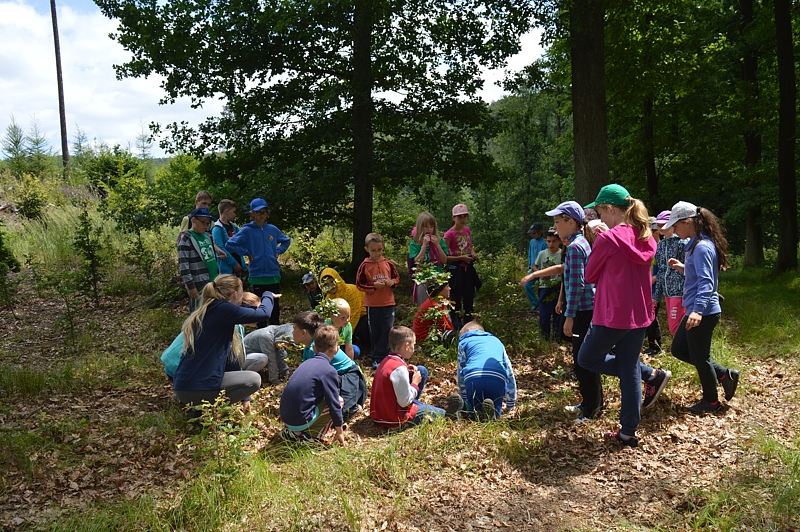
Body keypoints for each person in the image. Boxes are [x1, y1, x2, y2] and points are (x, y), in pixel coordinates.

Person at [577, 184, 671, 448]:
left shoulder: (607, 239)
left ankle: (650, 374)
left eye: (599, 211)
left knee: (587, 358)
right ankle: (628, 431)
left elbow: (590, 275)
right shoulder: (645, 236)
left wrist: (600, 240)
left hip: (612, 314)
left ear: (610, 209)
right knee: (628, 368)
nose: (598, 217)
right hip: (640, 314)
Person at [664, 202, 740, 413]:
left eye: (676, 225)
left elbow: (707, 283)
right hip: (695, 310)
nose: (675, 230)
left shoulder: (702, 247)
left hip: (703, 312)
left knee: (701, 357)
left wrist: (697, 310)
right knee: (679, 349)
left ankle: (711, 401)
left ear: (688, 222)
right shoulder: (696, 244)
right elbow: (699, 276)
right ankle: (725, 375)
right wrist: (683, 267)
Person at [172, 275, 275, 414]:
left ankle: (198, 411)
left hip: (182, 387)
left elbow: (230, 361)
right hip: (196, 387)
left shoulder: (211, 310)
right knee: (254, 379)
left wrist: (245, 397)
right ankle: (207, 409)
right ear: (235, 294)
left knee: (243, 376)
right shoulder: (222, 309)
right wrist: (267, 295)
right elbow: (264, 313)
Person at [542, 201, 603, 422]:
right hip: (585, 309)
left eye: (558, 222)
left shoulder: (577, 247)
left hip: (583, 311)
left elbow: (577, 284)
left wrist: (570, 316)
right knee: (584, 359)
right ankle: (589, 402)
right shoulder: (579, 243)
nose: (555, 227)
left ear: (570, 222)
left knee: (583, 361)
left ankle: (592, 410)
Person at [225, 198, 291, 326]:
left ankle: (275, 336)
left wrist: (278, 251)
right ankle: (261, 335)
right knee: (258, 308)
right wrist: (247, 252)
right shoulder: (247, 231)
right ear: (252, 214)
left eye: (264, 212)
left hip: (273, 275)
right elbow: (230, 244)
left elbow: (286, 241)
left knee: (274, 308)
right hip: (256, 276)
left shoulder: (272, 229)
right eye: (258, 212)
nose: (262, 215)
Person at [279, 325, 347, 445]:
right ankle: (310, 436)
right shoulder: (329, 371)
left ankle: (292, 432)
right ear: (337, 349)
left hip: (286, 419)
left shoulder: (306, 363)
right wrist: (339, 431)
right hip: (299, 421)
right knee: (339, 401)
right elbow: (334, 404)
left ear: (314, 348)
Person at [370, 326, 449, 428]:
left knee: (421, 370)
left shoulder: (386, 360)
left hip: (382, 412)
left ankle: (416, 405)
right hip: (393, 418)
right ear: (407, 346)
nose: (414, 348)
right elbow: (404, 401)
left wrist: (406, 370)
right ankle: (452, 414)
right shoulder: (399, 369)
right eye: (414, 345)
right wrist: (415, 384)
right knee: (442, 413)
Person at [294, 311, 367, 419]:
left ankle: (352, 407)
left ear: (304, 332)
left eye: (294, 328)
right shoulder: (309, 348)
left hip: (349, 376)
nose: (292, 332)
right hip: (336, 375)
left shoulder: (313, 349)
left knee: (339, 411)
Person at [454, 322, 517, 420]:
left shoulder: (464, 342)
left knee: (474, 411)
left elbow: (461, 371)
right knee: (495, 407)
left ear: (468, 331)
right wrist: (510, 403)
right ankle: (493, 414)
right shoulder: (497, 341)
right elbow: (509, 371)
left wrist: (465, 397)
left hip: (473, 377)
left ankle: (467, 408)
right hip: (497, 378)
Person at [356, 233, 400, 368]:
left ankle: (381, 356)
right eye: (373, 250)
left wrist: (391, 282)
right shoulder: (364, 265)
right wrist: (373, 286)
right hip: (373, 304)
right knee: (375, 331)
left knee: (387, 329)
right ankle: (378, 357)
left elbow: (396, 279)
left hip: (388, 302)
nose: (377, 253)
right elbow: (359, 284)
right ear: (367, 249)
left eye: (379, 250)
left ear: (383, 247)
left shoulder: (388, 263)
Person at [652, 210, 688, 338]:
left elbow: (689, 269)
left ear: (673, 224)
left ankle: (687, 350)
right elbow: (661, 272)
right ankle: (685, 351)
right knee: (674, 327)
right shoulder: (660, 246)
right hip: (667, 292)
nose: (660, 228)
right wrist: (656, 296)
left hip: (680, 292)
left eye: (664, 224)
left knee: (676, 327)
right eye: (658, 225)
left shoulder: (683, 243)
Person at [177, 207, 220, 312]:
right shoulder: (186, 239)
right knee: (199, 314)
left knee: (213, 313)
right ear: (193, 220)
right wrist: (191, 287)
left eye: (208, 223)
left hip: (213, 282)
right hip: (199, 285)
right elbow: (184, 266)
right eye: (203, 222)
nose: (206, 226)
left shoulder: (207, 236)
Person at [319, 267, 370, 355]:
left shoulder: (351, 292)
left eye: (332, 282)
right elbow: (328, 319)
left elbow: (354, 316)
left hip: (361, 316)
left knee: (363, 327)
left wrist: (345, 335)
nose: (330, 286)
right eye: (326, 284)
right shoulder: (328, 298)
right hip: (341, 321)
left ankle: (368, 348)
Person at [444, 204, 479, 327]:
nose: (463, 220)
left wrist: (473, 254)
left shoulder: (467, 230)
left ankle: (469, 321)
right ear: (453, 218)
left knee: (469, 295)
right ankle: (456, 323)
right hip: (456, 268)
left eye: (465, 217)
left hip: (468, 267)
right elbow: (444, 257)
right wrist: (461, 258)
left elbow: (470, 246)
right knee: (456, 296)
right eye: (459, 217)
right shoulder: (449, 234)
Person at [409, 211, 450, 305]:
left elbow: (444, 260)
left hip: (438, 277)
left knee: (440, 305)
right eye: (426, 226)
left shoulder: (439, 241)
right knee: (425, 306)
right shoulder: (414, 243)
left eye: (431, 226)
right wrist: (424, 245)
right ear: (420, 227)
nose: (429, 229)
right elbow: (417, 262)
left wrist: (437, 245)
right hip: (423, 279)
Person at [533, 228, 563, 340]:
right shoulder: (542, 253)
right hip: (544, 287)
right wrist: (539, 273)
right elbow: (534, 265)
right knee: (544, 316)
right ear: (546, 241)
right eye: (549, 241)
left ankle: (557, 338)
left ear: (559, 241)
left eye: (554, 241)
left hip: (558, 288)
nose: (551, 244)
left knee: (557, 315)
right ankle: (544, 338)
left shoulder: (562, 253)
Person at [412, 278, 456, 346]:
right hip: (425, 338)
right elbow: (444, 325)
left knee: (459, 325)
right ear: (439, 291)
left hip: (433, 332)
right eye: (447, 286)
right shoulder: (434, 306)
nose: (450, 288)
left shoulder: (437, 302)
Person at [212, 199, 247, 278]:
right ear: (227, 211)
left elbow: (242, 242)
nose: (235, 215)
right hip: (227, 269)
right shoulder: (217, 228)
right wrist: (234, 263)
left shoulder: (234, 227)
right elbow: (220, 248)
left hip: (239, 263)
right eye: (234, 212)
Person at [525, 223, 547, 312]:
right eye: (532, 233)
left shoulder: (545, 243)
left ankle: (544, 305)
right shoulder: (532, 242)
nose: (533, 235)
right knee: (527, 285)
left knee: (543, 288)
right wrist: (530, 265)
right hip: (533, 269)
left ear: (539, 232)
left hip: (542, 269)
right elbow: (530, 254)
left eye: (534, 233)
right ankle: (535, 303)